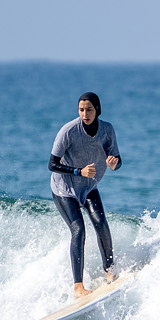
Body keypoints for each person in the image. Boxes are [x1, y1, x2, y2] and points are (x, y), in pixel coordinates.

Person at [49, 92, 122, 297]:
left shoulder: (107, 130)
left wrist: (114, 164)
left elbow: (117, 160)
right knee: (78, 229)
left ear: (97, 109)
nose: (85, 114)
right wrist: (77, 171)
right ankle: (78, 287)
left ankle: (110, 270)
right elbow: (51, 164)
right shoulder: (68, 131)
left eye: (89, 109)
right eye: (81, 110)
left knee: (101, 223)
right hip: (64, 188)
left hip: (88, 186)